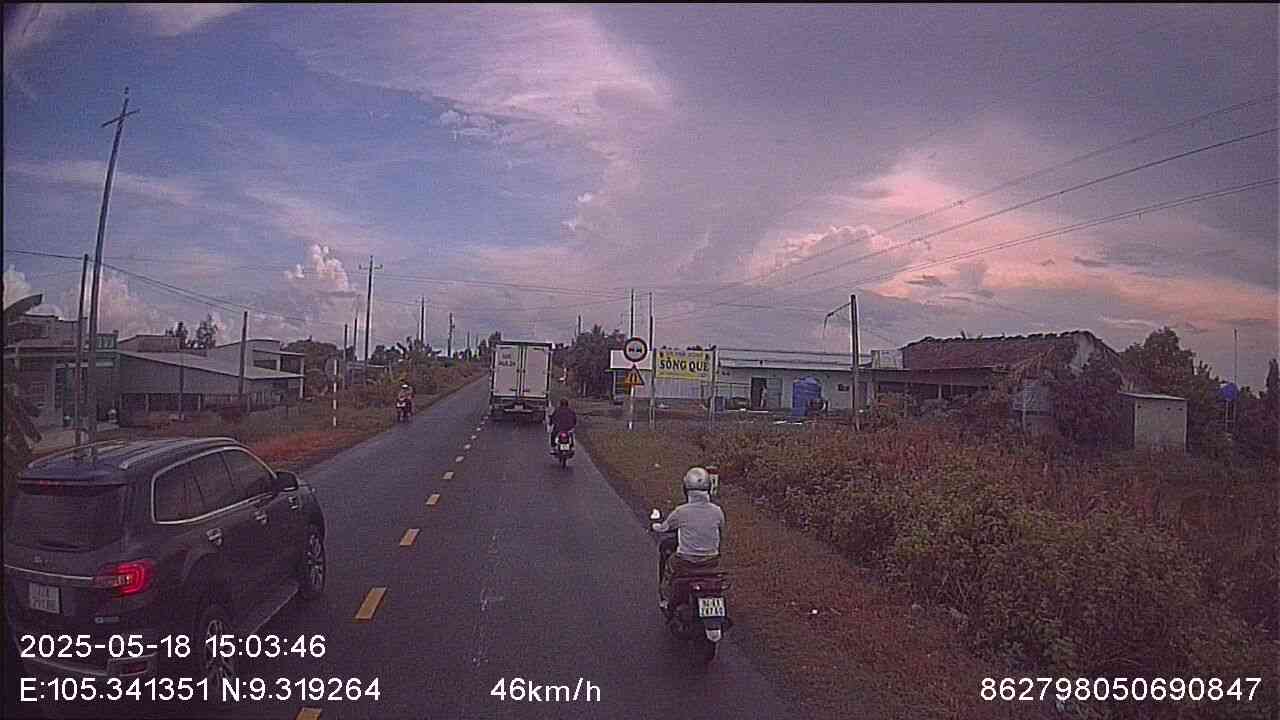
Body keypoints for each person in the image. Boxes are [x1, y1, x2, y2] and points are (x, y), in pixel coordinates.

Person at [651, 467, 726, 609]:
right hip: (712, 560)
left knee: (669, 565)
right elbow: (721, 527)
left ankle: (666, 598)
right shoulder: (717, 511)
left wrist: (656, 526)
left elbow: (664, 528)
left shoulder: (681, 511)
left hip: (686, 559)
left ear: (685, 489)